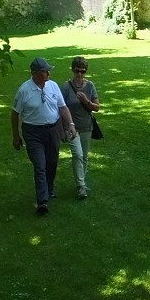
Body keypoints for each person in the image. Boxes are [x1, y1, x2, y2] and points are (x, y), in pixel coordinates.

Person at [11, 56, 76, 215]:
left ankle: (49, 188)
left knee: (52, 162)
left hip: (52, 130)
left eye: (48, 71)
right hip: (33, 132)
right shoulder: (24, 90)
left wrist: (71, 125)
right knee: (40, 165)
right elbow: (14, 114)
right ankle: (42, 201)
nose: (48, 74)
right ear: (35, 73)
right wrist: (16, 136)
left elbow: (63, 108)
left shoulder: (53, 86)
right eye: (45, 72)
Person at [60, 56, 100, 200]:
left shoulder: (90, 86)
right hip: (72, 128)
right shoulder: (66, 87)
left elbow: (97, 107)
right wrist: (64, 128)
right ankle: (82, 187)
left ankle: (80, 182)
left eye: (82, 72)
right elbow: (60, 108)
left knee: (84, 156)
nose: (79, 75)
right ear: (72, 70)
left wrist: (86, 101)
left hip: (86, 126)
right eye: (77, 71)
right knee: (77, 154)